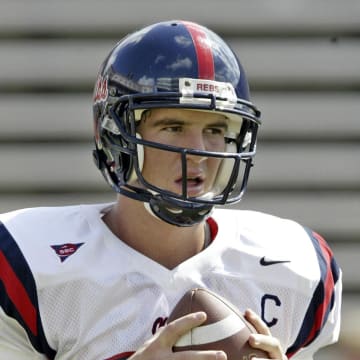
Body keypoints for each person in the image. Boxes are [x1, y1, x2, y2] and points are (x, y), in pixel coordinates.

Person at [0, 20, 341, 360]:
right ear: (117, 138)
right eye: (173, 126)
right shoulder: (26, 263)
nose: (198, 151)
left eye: (215, 129)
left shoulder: (293, 268)